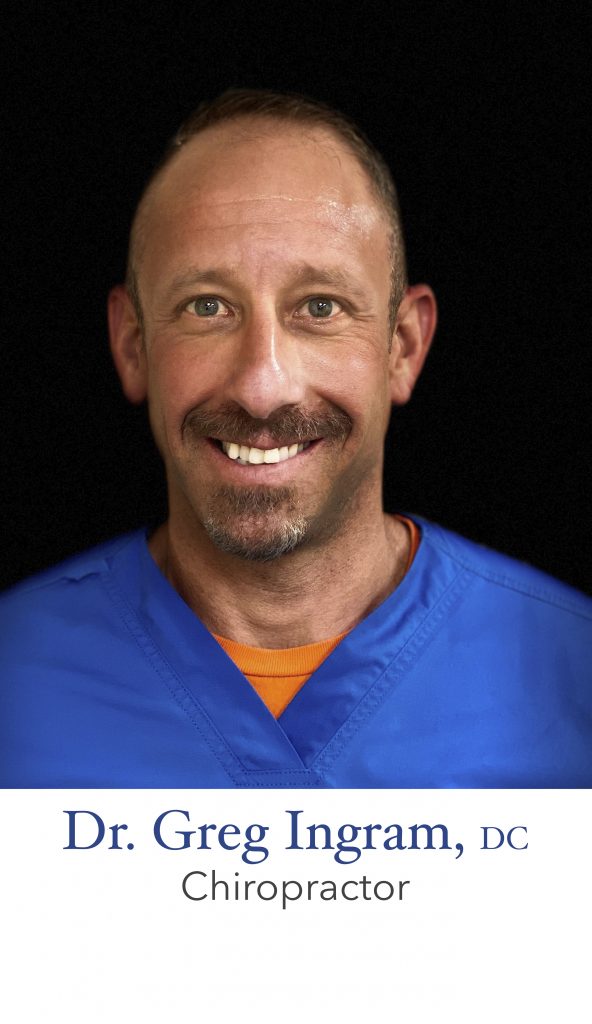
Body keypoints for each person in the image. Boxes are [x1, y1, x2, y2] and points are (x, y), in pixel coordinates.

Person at [1, 89, 591, 788]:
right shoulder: (15, 674)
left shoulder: (571, 673)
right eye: (207, 307)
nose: (262, 386)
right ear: (133, 346)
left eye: (320, 307)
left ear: (403, 347)